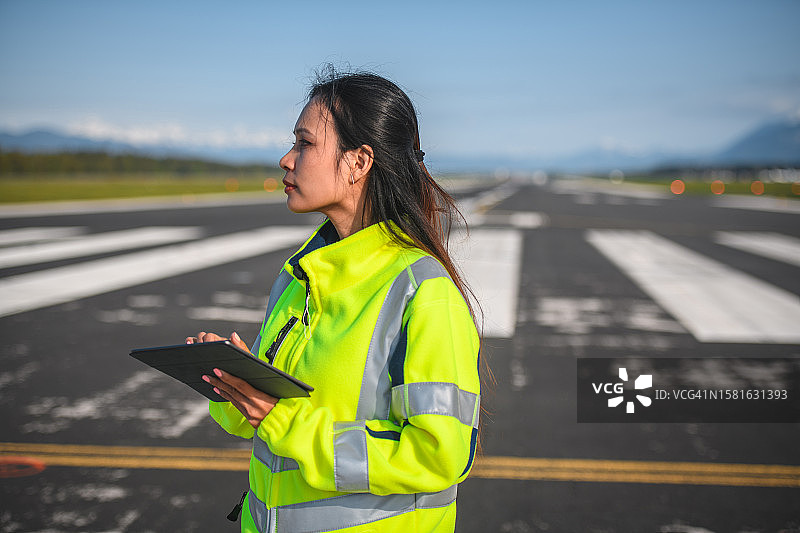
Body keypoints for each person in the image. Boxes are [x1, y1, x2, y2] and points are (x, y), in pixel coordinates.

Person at [186, 69, 481, 533]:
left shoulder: (424, 293)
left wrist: (288, 423)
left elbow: (438, 456)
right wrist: (235, 385)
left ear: (359, 162)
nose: (286, 159)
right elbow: (266, 421)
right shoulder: (301, 275)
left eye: (304, 143)